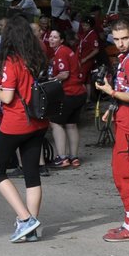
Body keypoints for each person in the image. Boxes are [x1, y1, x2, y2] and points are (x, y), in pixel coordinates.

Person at [0, 16, 50, 243]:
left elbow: (8, 96)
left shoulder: (11, 61)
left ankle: (25, 219)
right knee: (31, 173)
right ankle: (30, 227)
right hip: (38, 121)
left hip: (16, 123)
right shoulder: (38, 58)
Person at [94, 15, 129, 242]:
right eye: (116, 38)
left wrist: (111, 93)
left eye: (125, 38)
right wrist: (114, 106)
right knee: (121, 172)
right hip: (127, 124)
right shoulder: (126, 57)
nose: (120, 42)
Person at [45, 28, 85, 168]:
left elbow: (64, 73)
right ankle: (73, 157)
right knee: (71, 124)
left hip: (69, 93)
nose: (51, 39)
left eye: (55, 37)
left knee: (55, 123)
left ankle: (62, 158)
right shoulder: (67, 50)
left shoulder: (61, 52)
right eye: (50, 36)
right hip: (79, 93)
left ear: (61, 40)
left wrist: (51, 80)